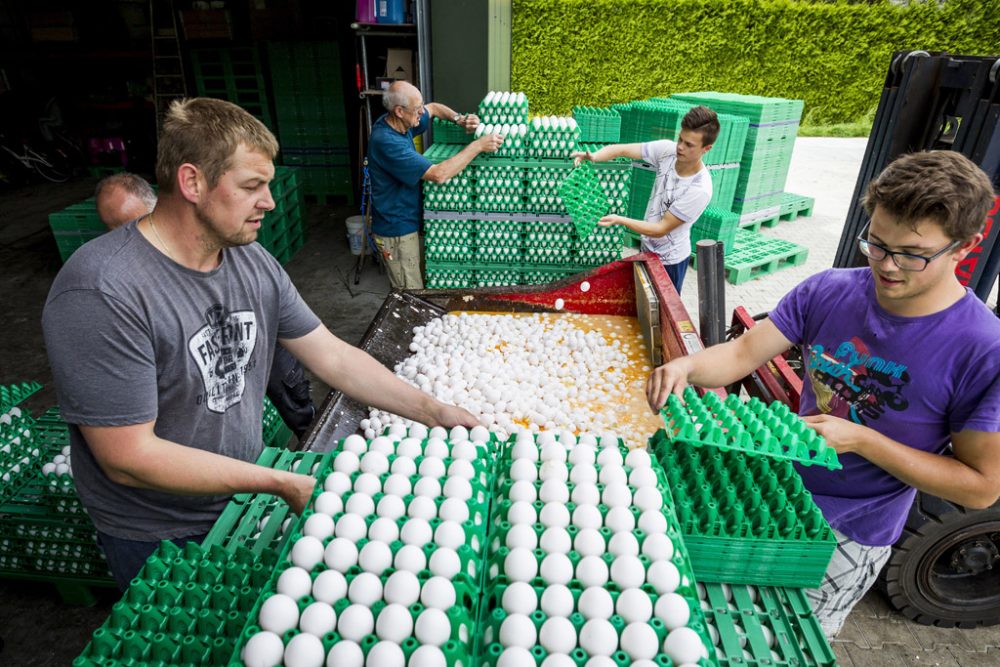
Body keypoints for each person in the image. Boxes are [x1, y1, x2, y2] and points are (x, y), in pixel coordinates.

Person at [42, 98, 479, 589]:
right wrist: (276, 481)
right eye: (252, 186)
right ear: (192, 183)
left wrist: (434, 410)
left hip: (237, 497)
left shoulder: (249, 262)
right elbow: (127, 457)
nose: (268, 201)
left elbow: (330, 355)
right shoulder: (102, 290)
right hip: (158, 532)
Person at [645, 150, 1000, 637]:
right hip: (774, 494)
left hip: (850, 532)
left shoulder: (981, 349)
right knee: (716, 629)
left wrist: (862, 441)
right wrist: (686, 365)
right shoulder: (829, 291)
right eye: (875, 243)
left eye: (912, 254)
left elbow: (980, 487)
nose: (887, 265)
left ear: (966, 246)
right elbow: (743, 354)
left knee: (788, 639)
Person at [94, 173, 318, 440]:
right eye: (118, 231)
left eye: (137, 223)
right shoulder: (125, 278)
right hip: (216, 363)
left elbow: (328, 353)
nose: (133, 238)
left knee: (293, 400)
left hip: (259, 340)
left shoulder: (227, 249)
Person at [367, 80, 504, 289]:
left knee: (417, 280)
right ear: (399, 111)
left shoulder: (401, 123)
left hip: (408, 219)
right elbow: (439, 174)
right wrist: (478, 146)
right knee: (409, 292)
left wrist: (459, 119)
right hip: (396, 230)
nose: (421, 112)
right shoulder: (387, 142)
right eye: (416, 109)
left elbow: (433, 108)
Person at [572, 106, 719, 293]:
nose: (680, 147)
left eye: (689, 144)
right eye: (680, 139)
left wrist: (619, 219)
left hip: (669, 261)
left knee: (661, 315)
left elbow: (660, 229)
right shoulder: (668, 151)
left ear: (707, 148)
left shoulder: (699, 189)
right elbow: (623, 149)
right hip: (647, 249)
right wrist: (594, 157)